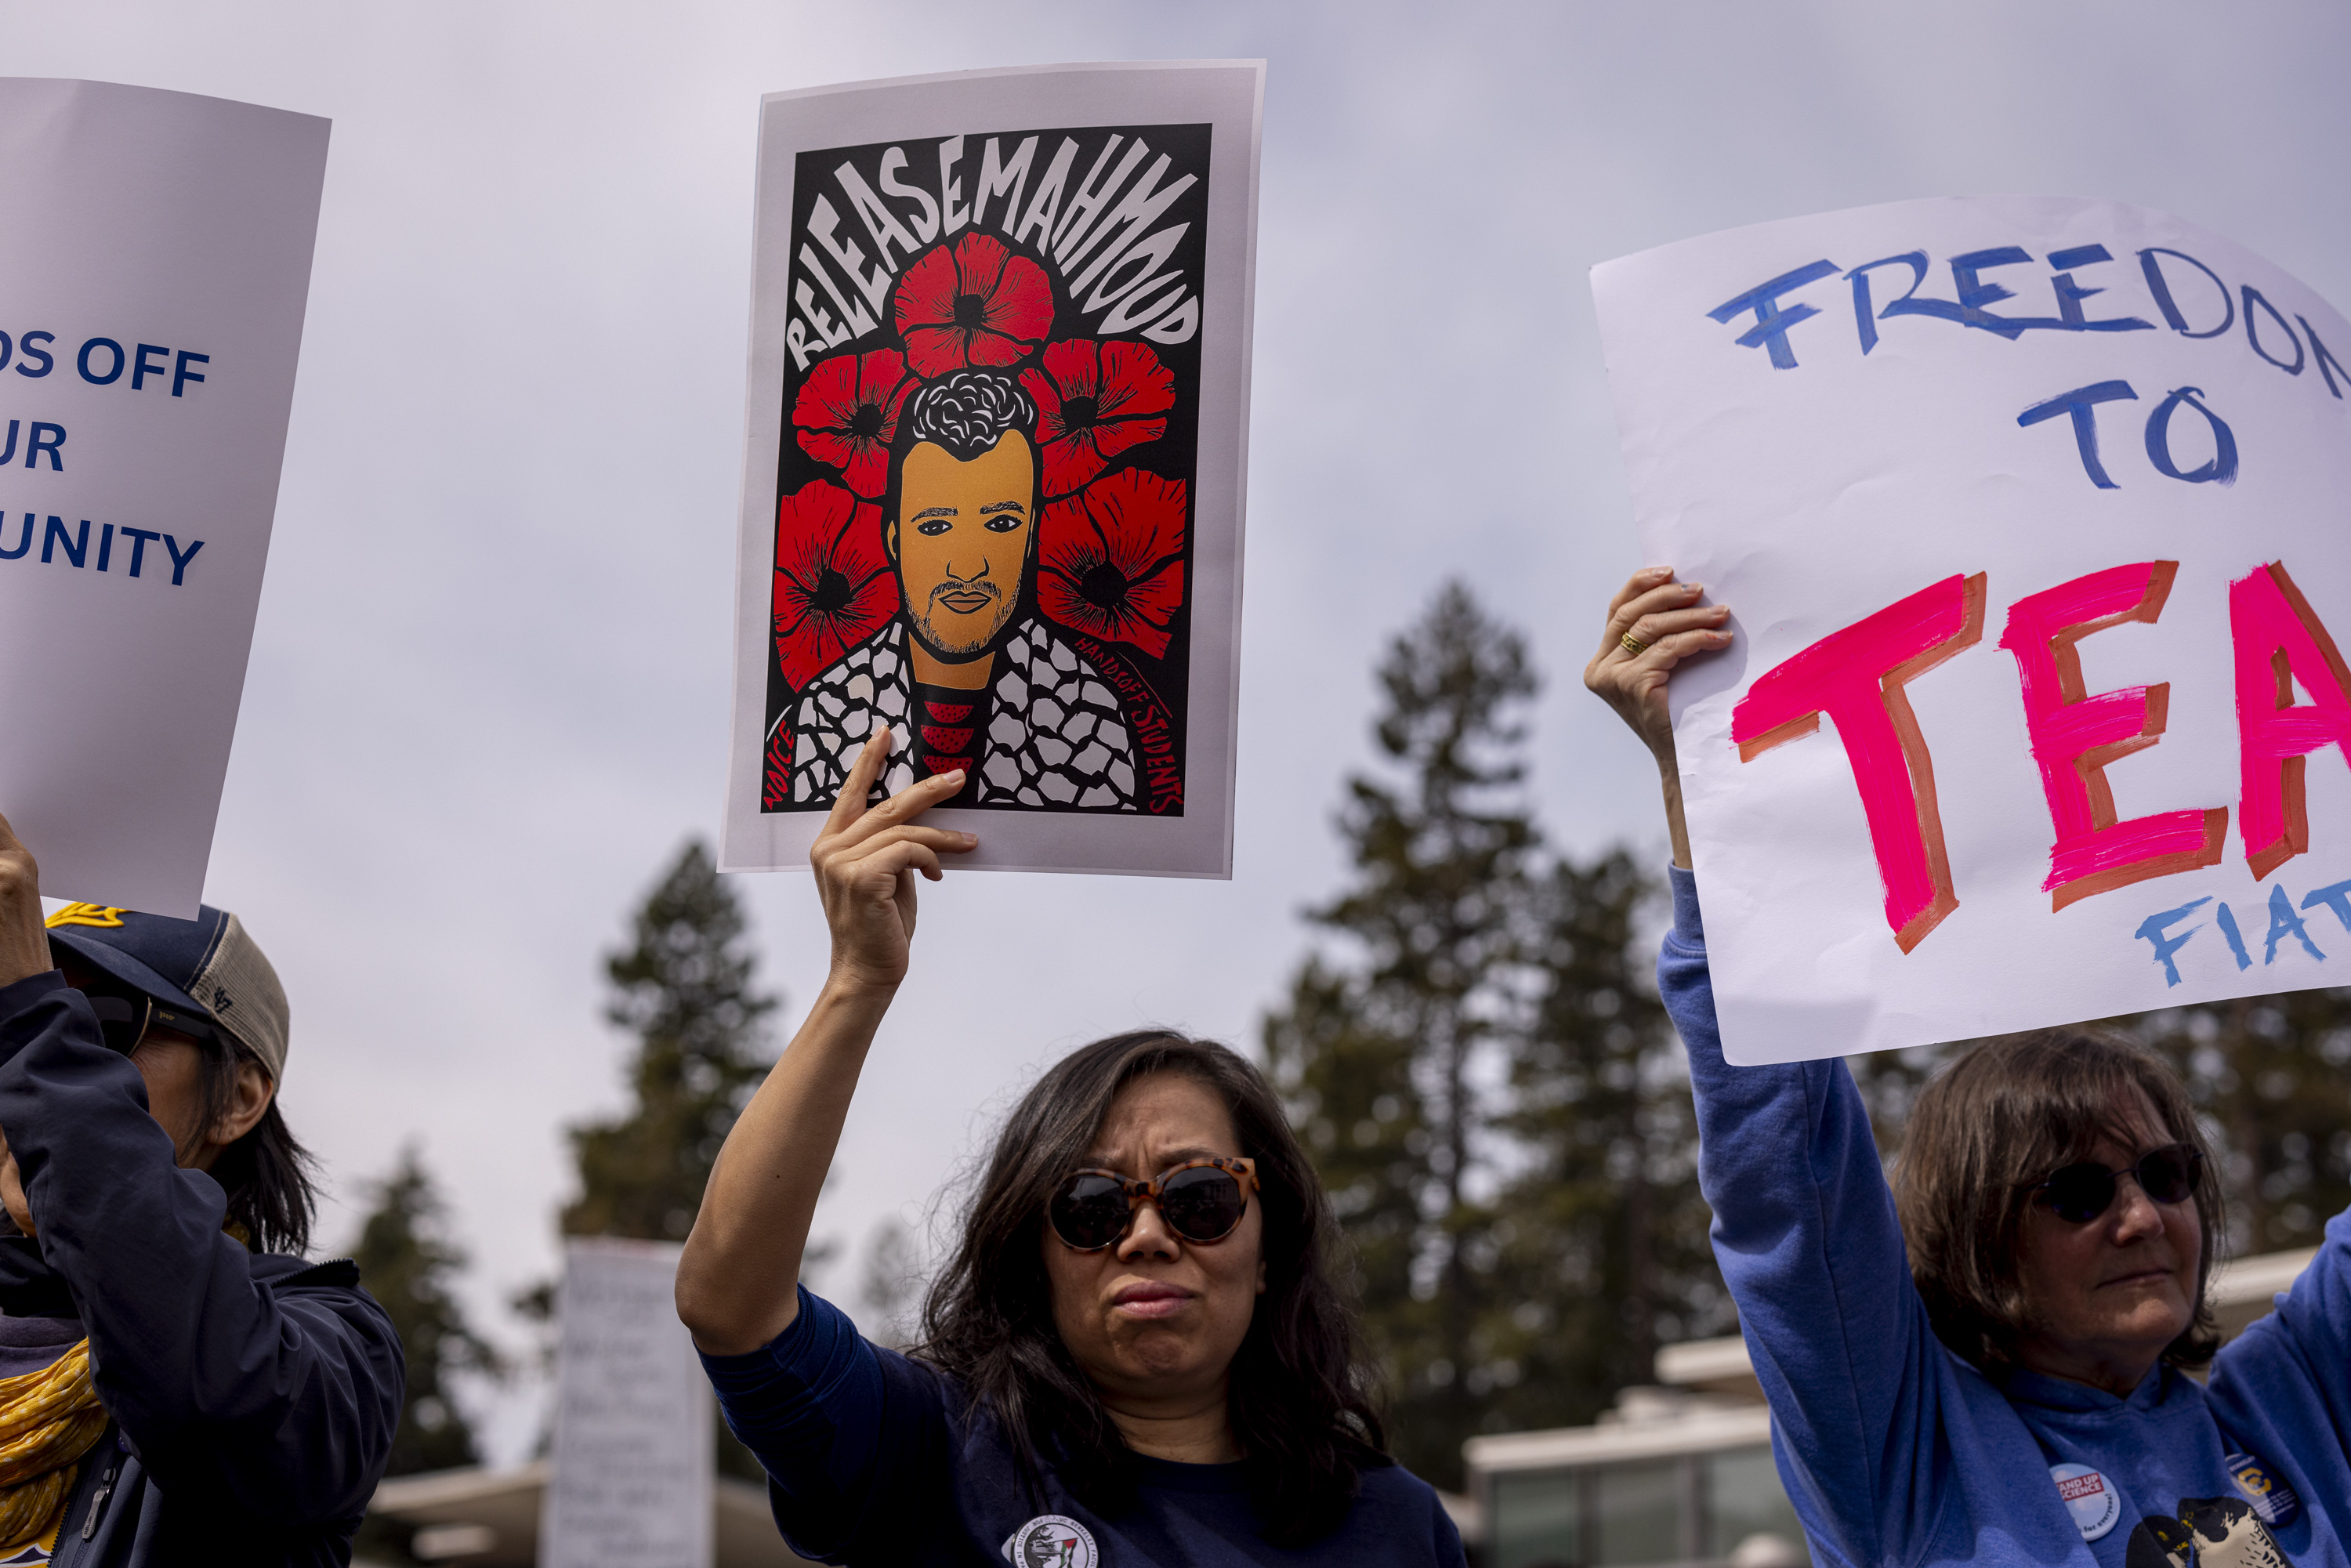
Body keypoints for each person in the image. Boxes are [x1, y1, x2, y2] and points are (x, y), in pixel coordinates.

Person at [1585, 567, 2351, 1568]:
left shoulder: (2293, 1402)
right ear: (1982, 1238)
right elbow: (1786, 1184)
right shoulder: (1911, 1456)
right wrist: (1703, 792)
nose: (2142, 1217)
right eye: (2077, 1194)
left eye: (2165, 1175)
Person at [674, 733, 1465, 1565]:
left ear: (1268, 1245)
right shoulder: (929, 1449)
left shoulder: (1396, 1525)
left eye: (1200, 1196)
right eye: (1090, 1207)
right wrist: (856, 982)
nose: (1149, 1236)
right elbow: (731, 1304)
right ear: (1033, 1253)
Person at [0, 821, 402, 1565]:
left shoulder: (329, 1343)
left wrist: (32, 1013)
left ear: (238, 1099)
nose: (29, 1064)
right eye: (14, 1029)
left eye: (93, 1027)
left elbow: (202, 1398)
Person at [778, 370, 1147, 813]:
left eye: (1001, 524)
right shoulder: (827, 708)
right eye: (934, 526)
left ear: (1030, 539)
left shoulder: (1091, 714)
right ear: (894, 541)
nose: (969, 568)